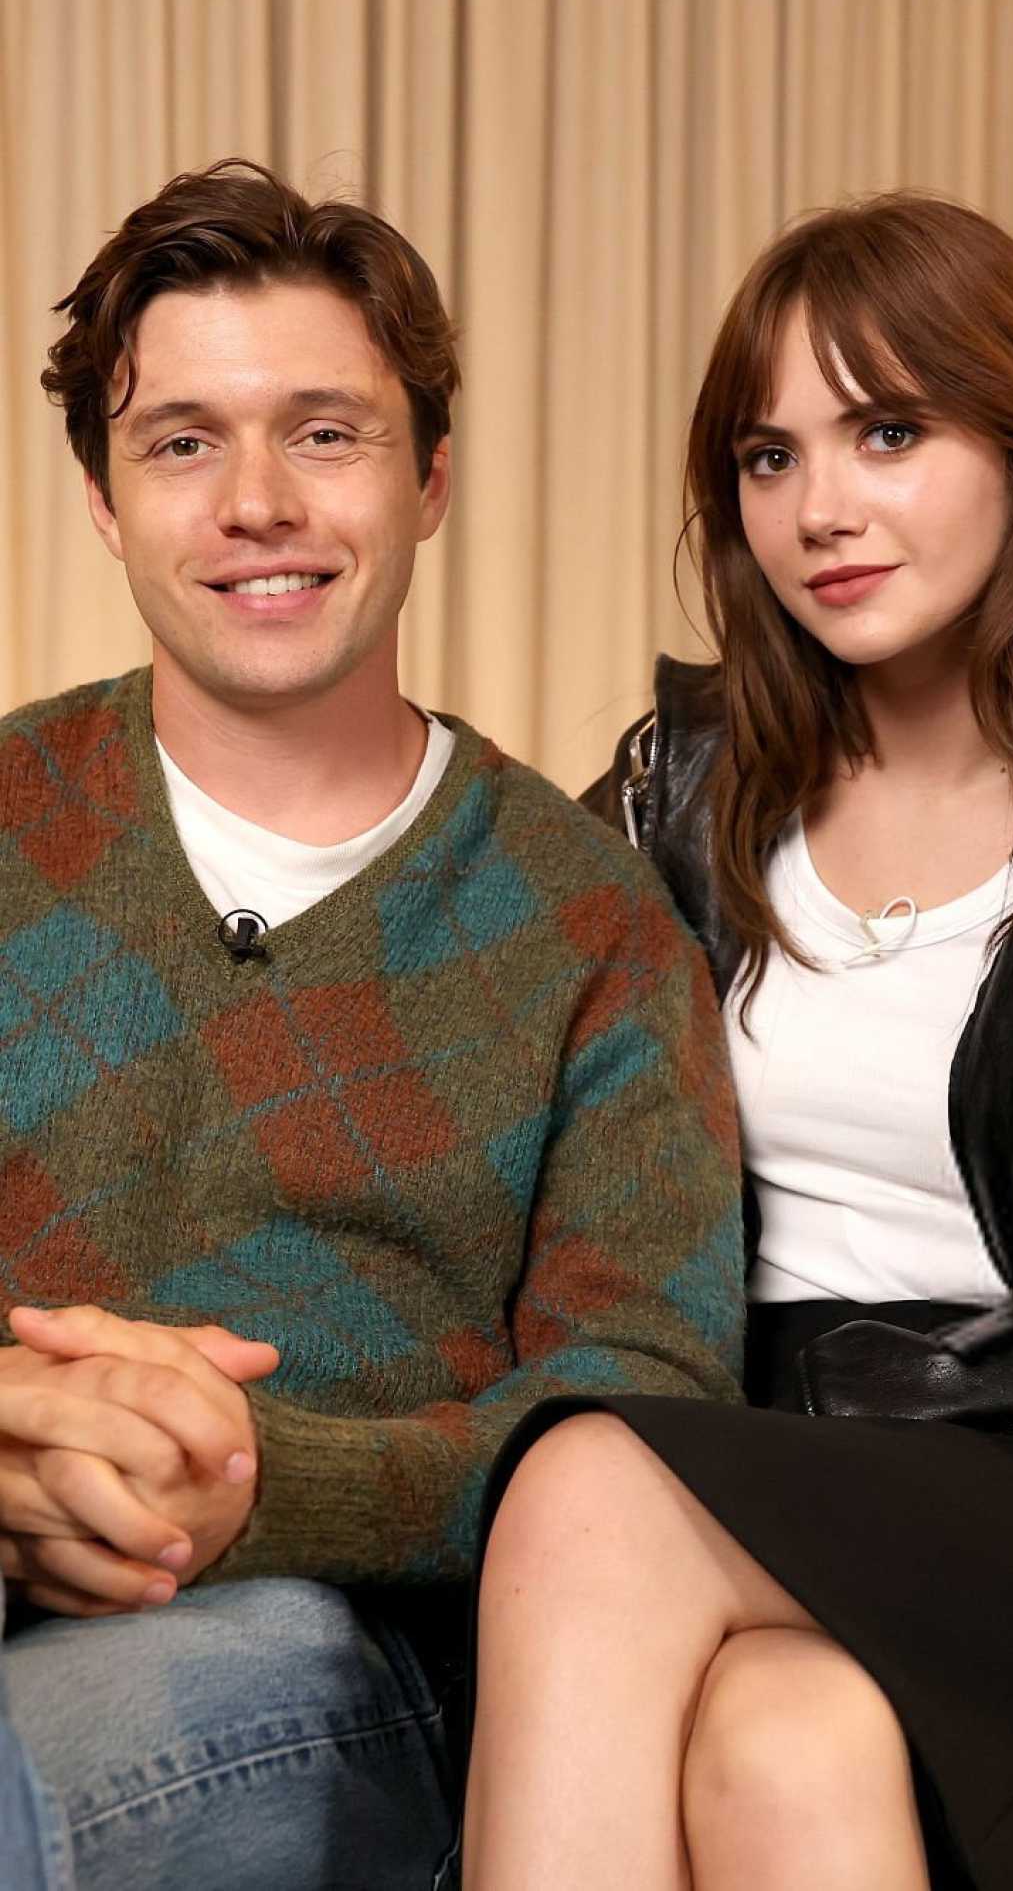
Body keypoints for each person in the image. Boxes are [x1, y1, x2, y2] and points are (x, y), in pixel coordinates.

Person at [462, 193, 1013, 1891]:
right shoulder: (678, 794)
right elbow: (489, 1090)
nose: (818, 508)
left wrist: (849, 1403)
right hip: (790, 1488)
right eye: (768, 456)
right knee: (783, 1739)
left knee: (590, 1483)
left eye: (887, 431)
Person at [0, 158, 745, 1891]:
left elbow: (643, 1407)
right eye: (182, 442)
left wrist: (263, 1481)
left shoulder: (589, 921)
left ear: (431, 480)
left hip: (342, 1661)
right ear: (103, 500)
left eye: (323, 434)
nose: (255, 502)